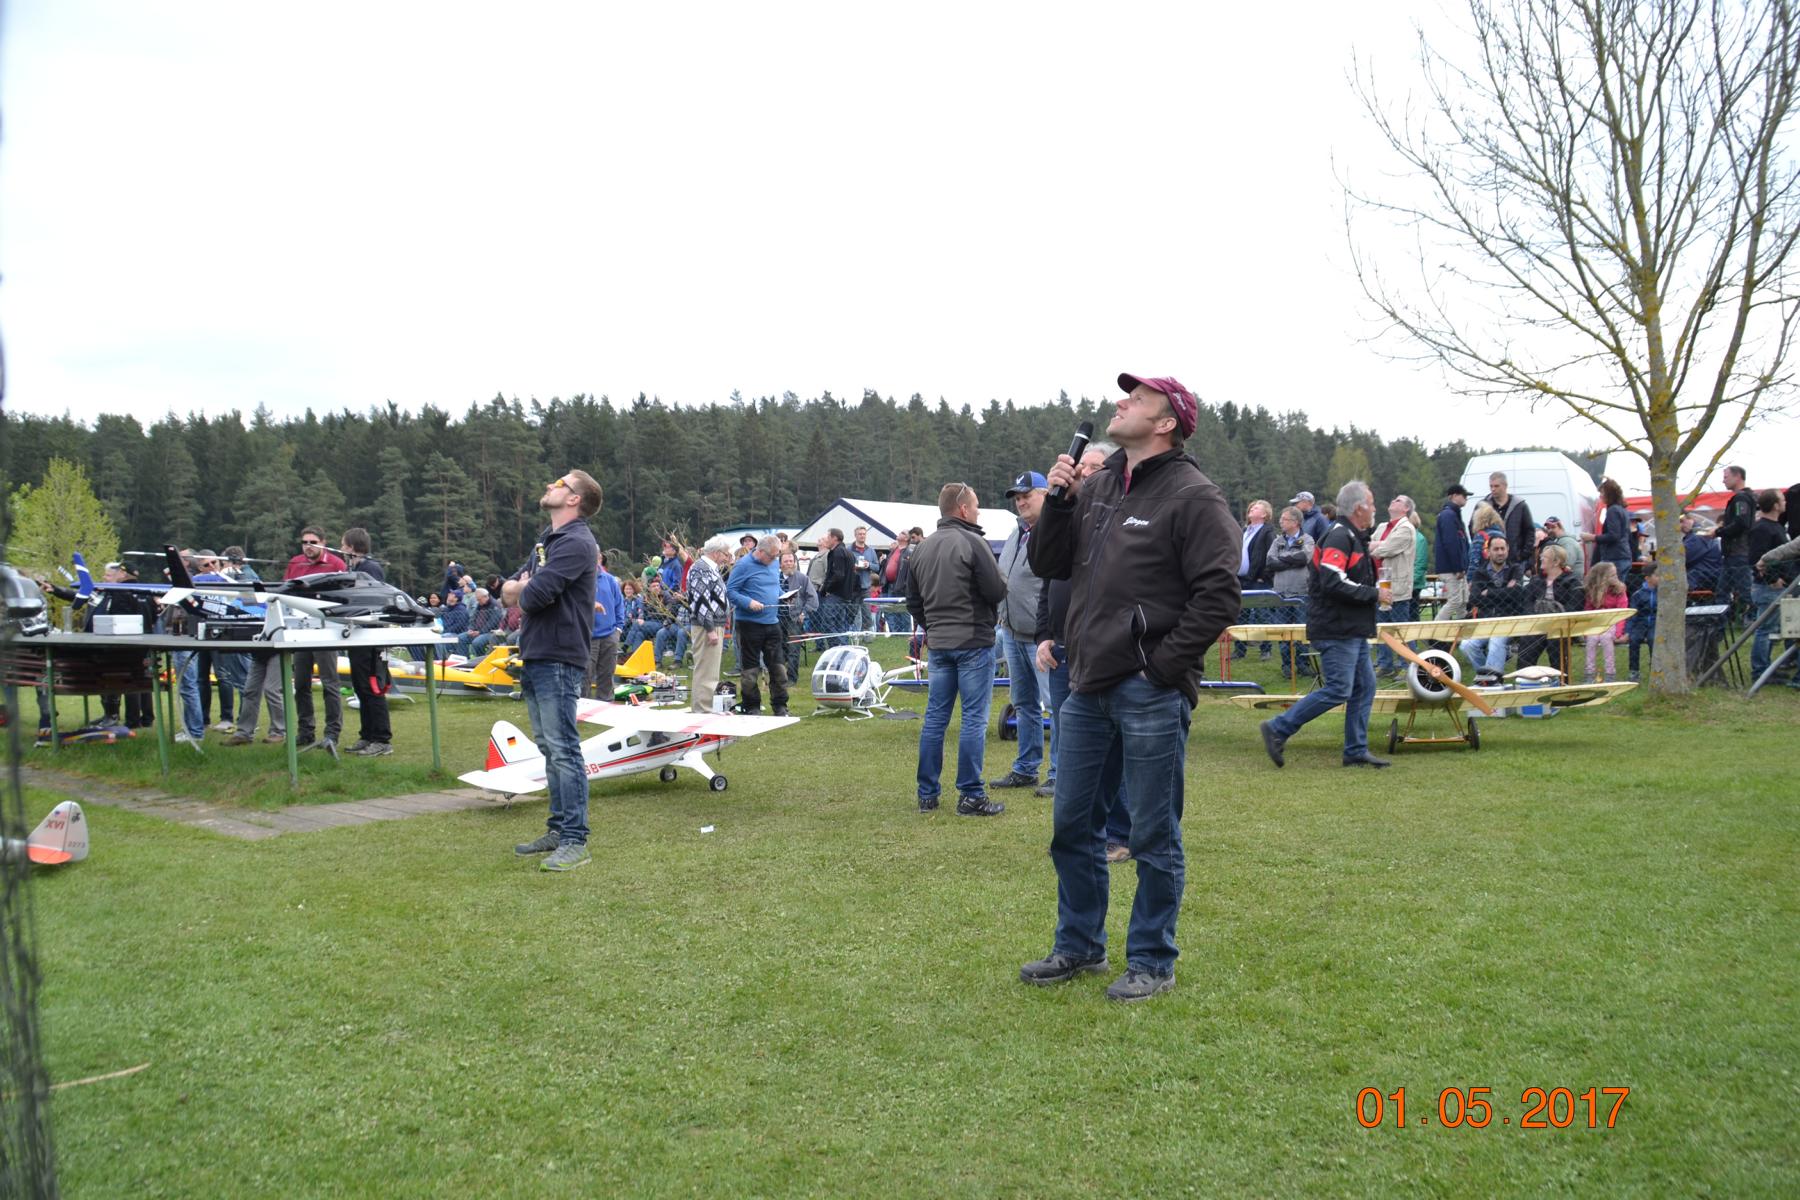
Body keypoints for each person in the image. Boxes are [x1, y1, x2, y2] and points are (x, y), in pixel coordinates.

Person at [1022, 372, 1240, 1003]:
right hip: (1085, 686)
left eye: (1137, 399)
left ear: (1167, 423)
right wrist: (1060, 502)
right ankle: (1079, 945)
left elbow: (1219, 596)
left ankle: (1152, 959)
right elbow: (1048, 564)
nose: (1121, 404)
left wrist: (1161, 667)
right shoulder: (1096, 488)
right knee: (1073, 824)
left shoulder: (1195, 496)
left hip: (1148, 689)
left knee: (1151, 834)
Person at [1033, 443, 1133, 858]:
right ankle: (1079, 834)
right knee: (1070, 744)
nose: (1085, 473)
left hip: (1102, 651)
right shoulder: (1067, 519)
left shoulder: (1113, 520)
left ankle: (1119, 834)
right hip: (1061, 649)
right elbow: (1047, 585)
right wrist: (1043, 635)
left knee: (1111, 748)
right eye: (1081, 467)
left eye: (1095, 468)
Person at [507, 470, 603, 873]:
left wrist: (524, 589)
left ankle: (575, 840)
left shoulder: (578, 543)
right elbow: (509, 591)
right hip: (536, 653)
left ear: (574, 499)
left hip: (559, 656)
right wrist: (521, 588)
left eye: (560, 483)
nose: (550, 485)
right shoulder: (548, 541)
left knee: (564, 749)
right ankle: (558, 828)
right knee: (549, 747)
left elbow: (533, 596)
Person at [1260, 479, 1387, 769]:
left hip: (1351, 627)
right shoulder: (1340, 536)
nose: (1374, 508)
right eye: (1371, 503)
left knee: (1364, 686)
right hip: (1336, 627)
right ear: (1359, 508)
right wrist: (1374, 594)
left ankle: (1355, 750)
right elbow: (1332, 581)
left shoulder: (1352, 535)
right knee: (1339, 688)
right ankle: (1278, 728)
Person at [907, 482, 1009, 818]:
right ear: (963, 509)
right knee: (973, 719)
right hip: (973, 642)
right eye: (976, 505)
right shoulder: (973, 542)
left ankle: (927, 794)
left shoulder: (921, 548)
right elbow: (996, 590)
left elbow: (913, 601)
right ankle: (970, 795)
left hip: (939, 644)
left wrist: (933, 626)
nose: (978, 511)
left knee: (935, 719)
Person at [993, 470, 1052, 790]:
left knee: (1055, 706)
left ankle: (1059, 774)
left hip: (1042, 638)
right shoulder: (1017, 532)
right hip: (1012, 632)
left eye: (1027, 495)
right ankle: (1026, 769)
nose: (1021, 502)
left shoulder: (1053, 531)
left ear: (1045, 494)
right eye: (1017, 497)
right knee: (1024, 704)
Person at [284, 527, 347, 754]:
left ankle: (332, 733)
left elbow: (344, 595)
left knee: (330, 683)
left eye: (312, 542)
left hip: (326, 631)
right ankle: (305, 731)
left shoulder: (336, 564)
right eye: (304, 542)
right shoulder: (295, 563)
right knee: (301, 683)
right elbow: (285, 592)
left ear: (323, 542)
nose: (308, 546)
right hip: (301, 631)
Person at [338, 527, 394, 756]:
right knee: (360, 687)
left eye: (343, 545)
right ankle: (367, 735)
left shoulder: (370, 569)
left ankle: (381, 739)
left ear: (352, 547)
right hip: (358, 636)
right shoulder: (356, 568)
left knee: (372, 687)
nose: (341, 549)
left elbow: (372, 600)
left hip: (370, 637)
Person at [725, 536, 789, 715]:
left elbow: (774, 586)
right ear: (760, 551)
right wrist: (748, 602)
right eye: (772, 556)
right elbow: (731, 591)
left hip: (772, 622)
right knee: (750, 669)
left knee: (778, 667)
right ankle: (752, 706)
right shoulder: (743, 565)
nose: (775, 560)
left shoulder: (773, 563)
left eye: (777, 556)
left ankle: (780, 706)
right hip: (749, 624)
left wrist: (784, 595)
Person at [1461, 534, 1528, 683]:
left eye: (1503, 549)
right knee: (1466, 645)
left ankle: (1492, 683)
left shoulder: (1515, 569)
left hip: (1508, 620)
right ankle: (1489, 676)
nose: (1500, 552)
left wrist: (1489, 593)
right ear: (1488, 551)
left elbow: (1517, 594)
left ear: (1508, 549)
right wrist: (1505, 591)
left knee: (1496, 641)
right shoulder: (1480, 572)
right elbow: (1474, 599)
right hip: (1486, 621)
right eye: (1496, 549)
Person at [1513, 543, 1585, 673]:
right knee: (1526, 649)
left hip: (1560, 626)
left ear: (1556, 562)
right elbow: (1527, 603)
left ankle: (1561, 680)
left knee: (1556, 647)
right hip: (1537, 625)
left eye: (1545, 557)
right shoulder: (1536, 581)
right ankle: (1524, 679)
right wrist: (1534, 618)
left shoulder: (1572, 581)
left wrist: (1557, 619)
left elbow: (1575, 606)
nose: (1541, 558)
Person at [1747, 488, 1793, 684]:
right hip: (1768, 588)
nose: (1785, 502)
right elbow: (1756, 558)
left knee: (1772, 629)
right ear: (1775, 505)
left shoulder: (1776, 526)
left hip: (1779, 586)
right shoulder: (1762, 529)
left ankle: (1767, 668)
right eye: (1782, 500)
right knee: (1765, 629)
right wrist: (1773, 579)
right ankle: (1760, 671)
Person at [1265, 505, 1316, 678]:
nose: (1281, 522)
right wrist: (1291, 560)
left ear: (1295, 522)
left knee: (1301, 631)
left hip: (1301, 593)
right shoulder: (1277, 541)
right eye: (1281, 519)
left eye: (1284, 519)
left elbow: (1304, 558)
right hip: (1280, 594)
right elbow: (1270, 562)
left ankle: (1303, 664)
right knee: (1283, 632)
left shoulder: (1307, 539)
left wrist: (1282, 559)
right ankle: (1287, 665)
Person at [1370, 495, 1419, 677]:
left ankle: (1409, 665)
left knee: (1400, 627)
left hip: (1397, 584)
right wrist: (1378, 544)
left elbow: (1386, 549)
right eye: (1394, 499)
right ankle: (1386, 665)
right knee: (1383, 627)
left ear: (1406, 509)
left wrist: (1377, 545)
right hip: (1380, 582)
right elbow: (1368, 544)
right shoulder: (1383, 526)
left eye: (1398, 500)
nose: (1393, 501)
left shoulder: (1406, 528)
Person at [684, 538, 732, 713]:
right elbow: (700, 601)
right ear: (716, 553)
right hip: (706, 627)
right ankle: (702, 709)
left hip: (713, 624)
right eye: (725, 554)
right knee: (705, 670)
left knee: (710, 670)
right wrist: (710, 629)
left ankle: (707, 707)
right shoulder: (700, 569)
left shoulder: (710, 569)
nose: (727, 558)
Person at [1708, 464, 1758, 620]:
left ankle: (1758, 623)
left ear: (1737, 477)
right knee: (1723, 592)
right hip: (1736, 552)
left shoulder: (1741, 498)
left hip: (1738, 552)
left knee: (1744, 592)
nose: (1723, 481)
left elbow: (1741, 523)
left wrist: (1719, 531)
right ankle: (1722, 626)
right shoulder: (1749, 497)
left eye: (1726, 477)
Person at [1232, 499, 1276, 661]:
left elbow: (1271, 556)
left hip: (1258, 581)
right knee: (1240, 615)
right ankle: (1239, 650)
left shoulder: (1267, 532)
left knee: (1262, 616)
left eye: (1256, 508)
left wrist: (1263, 576)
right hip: (1241, 579)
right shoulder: (1245, 530)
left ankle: (1266, 650)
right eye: (1251, 507)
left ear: (1265, 514)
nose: (1251, 509)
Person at [1583, 562, 1629, 682]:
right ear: (1602, 577)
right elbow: (1588, 611)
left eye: (1616, 574)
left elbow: (1622, 613)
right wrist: (1586, 630)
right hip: (1596, 623)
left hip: (1612, 622)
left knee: (1606, 638)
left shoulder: (1620, 590)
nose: (1616, 578)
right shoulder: (1593, 590)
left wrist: (1618, 633)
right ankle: (1589, 673)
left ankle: (1610, 673)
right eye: (1612, 575)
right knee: (1591, 640)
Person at [588, 550, 625, 700]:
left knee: (607, 675)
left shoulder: (610, 580)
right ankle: (581, 707)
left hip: (609, 636)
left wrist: (618, 630)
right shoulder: (579, 580)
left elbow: (619, 605)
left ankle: (606, 704)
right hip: (587, 637)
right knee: (584, 676)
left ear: (600, 559)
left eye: (596, 557)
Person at [780, 549, 820, 682]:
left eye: (791, 561)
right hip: (776, 619)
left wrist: (804, 612)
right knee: (778, 648)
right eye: (786, 561)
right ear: (780, 564)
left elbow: (813, 598)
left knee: (793, 649)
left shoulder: (802, 578)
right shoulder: (774, 578)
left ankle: (792, 678)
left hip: (795, 619)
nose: (789, 564)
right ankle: (779, 676)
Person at [1433, 484, 1473, 621]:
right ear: (1454, 496)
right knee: (1455, 601)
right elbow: (1451, 543)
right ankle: (1434, 630)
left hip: (1455, 567)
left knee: (1463, 600)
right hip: (1451, 569)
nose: (1466, 498)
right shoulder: (1448, 515)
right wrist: (1458, 568)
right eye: (1464, 495)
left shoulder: (1452, 514)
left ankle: (1462, 629)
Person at [1581, 478, 1632, 582]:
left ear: (1609, 494)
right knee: (1618, 588)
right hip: (1623, 556)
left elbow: (1614, 535)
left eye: (1602, 493)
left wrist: (1592, 537)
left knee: (1610, 588)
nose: (1600, 496)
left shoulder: (1613, 510)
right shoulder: (1622, 509)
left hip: (1614, 558)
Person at [1486, 472, 1536, 571]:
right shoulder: (1484, 506)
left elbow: (1530, 531)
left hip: (1514, 562)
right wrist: (1485, 550)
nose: (1493, 489)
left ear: (1505, 486)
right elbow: (1474, 529)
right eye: (1491, 486)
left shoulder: (1520, 506)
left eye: (1496, 486)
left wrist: (1522, 555)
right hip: (1490, 563)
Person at [816, 529, 858, 646]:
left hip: (836, 595)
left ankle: (836, 648)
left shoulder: (838, 552)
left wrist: (826, 589)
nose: (826, 540)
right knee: (839, 625)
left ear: (834, 538)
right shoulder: (848, 552)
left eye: (828, 537)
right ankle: (843, 648)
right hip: (845, 595)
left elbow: (838, 575)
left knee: (828, 623)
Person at [1626, 564, 1659, 680]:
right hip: (1640, 623)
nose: (1660, 578)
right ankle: (1634, 671)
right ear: (1647, 578)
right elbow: (1633, 614)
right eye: (1657, 575)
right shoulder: (1638, 594)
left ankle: (1655, 669)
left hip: (1655, 623)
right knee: (1634, 640)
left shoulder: (1662, 593)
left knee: (1653, 640)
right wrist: (1628, 631)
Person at [1681, 511, 1723, 591]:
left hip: (1702, 578)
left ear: (1690, 519)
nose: (1680, 525)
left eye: (1682, 521)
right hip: (1704, 577)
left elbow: (1682, 558)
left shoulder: (1698, 536)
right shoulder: (1695, 535)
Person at [848, 526, 877, 632]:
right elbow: (844, 566)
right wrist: (853, 567)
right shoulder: (848, 550)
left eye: (864, 534)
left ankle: (868, 635)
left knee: (867, 613)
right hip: (852, 587)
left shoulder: (871, 551)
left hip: (865, 586)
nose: (862, 536)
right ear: (855, 535)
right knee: (852, 612)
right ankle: (853, 634)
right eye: (860, 534)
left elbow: (877, 567)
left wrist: (868, 565)